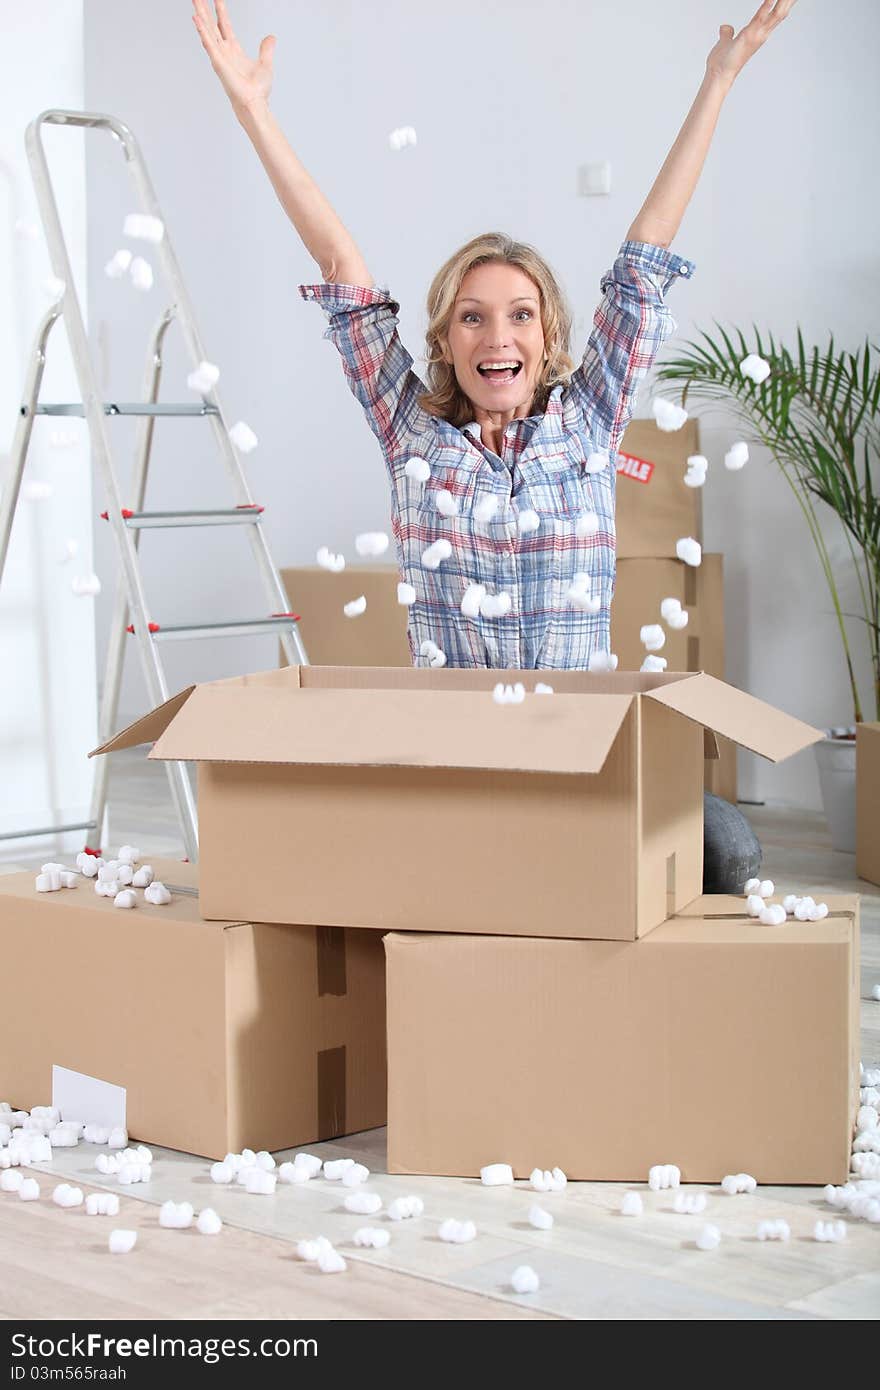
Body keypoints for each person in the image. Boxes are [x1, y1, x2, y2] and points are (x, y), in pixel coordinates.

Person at [193, 0, 794, 888]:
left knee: (726, 848)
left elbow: (645, 259)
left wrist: (718, 81)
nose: (494, 335)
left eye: (518, 315)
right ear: (445, 340)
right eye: (471, 318)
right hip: (454, 757)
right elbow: (343, 270)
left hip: (578, 755)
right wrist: (254, 112)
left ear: (548, 337)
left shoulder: (590, 422)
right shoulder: (413, 438)